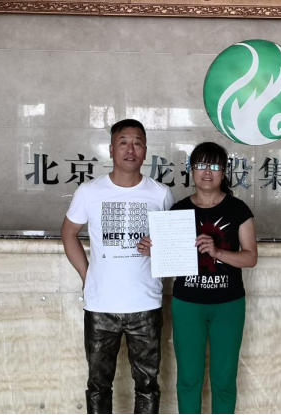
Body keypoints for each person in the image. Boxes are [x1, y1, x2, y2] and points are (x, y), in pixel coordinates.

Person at [62, 119, 175, 415]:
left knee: (147, 385)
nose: (130, 149)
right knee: (98, 385)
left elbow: (171, 246)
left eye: (137, 143)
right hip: (101, 305)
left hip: (146, 304)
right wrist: (86, 275)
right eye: (123, 142)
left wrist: (158, 248)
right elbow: (69, 233)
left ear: (145, 150)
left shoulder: (160, 194)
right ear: (111, 149)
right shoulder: (89, 192)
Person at [138, 142, 258, 414]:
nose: (207, 172)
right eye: (201, 165)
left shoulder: (238, 209)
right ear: (191, 170)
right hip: (188, 304)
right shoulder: (178, 210)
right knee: (188, 379)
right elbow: (169, 257)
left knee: (224, 379)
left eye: (214, 166)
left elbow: (250, 257)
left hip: (228, 304)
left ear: (224, 171)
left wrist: (218, 252)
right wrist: (152, 249)